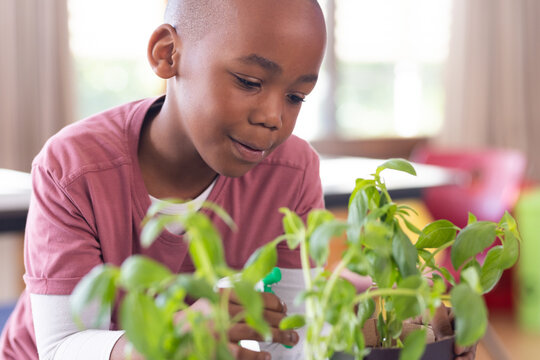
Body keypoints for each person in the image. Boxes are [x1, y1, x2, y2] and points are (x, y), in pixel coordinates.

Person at [0, 0, 326, 359]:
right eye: (249, 82)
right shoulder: (73, 167)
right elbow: (62, 346)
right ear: (167, 54)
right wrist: (173, 337)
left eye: (296, 97)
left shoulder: (293, 172)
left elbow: (293, 336)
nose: (273, 117)